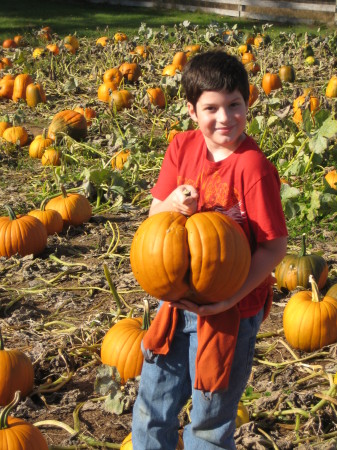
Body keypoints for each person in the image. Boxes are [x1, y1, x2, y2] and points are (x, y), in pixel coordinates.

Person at [131, 49, 288, 450]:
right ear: (191, 110)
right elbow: (154, 213)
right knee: (154, 404)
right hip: (176, 301)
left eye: (234, 105)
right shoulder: (181, 148)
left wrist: (228, 299)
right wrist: (173, 205)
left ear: (247, 102)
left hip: (231, 312)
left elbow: (273, 247)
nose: (224, 118)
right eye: (211, 108)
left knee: (209, 420)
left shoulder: (253, 168)